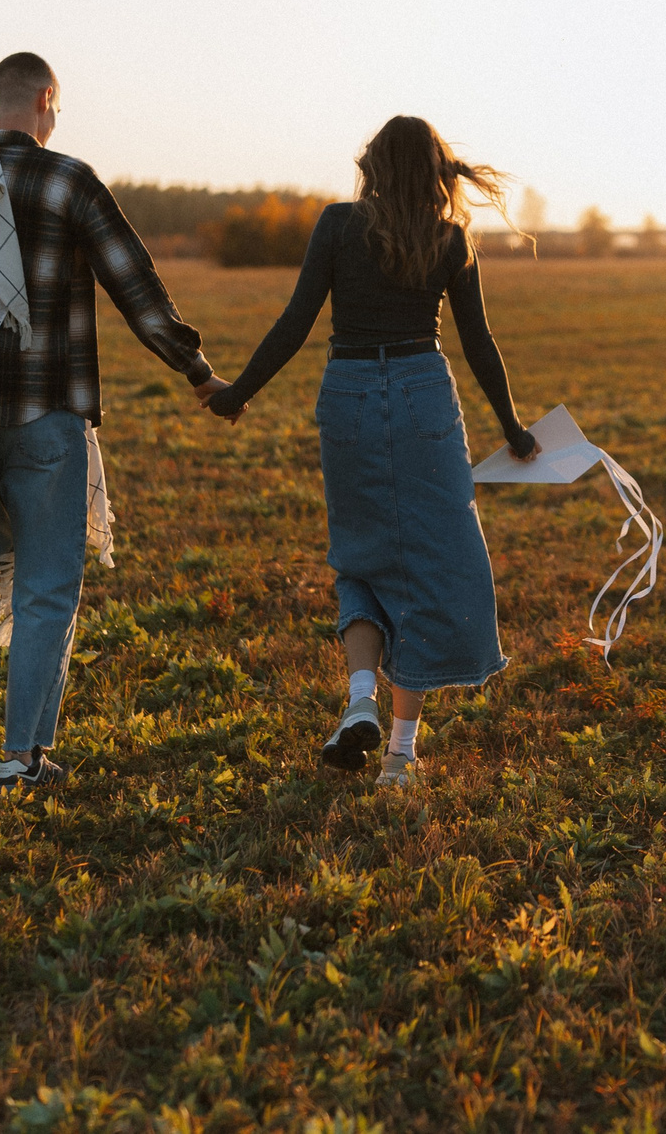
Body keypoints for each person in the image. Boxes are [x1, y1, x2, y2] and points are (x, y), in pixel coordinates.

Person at [0, 52, 229, 792]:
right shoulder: (69, 181)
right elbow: (136, 288)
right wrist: (198, 372)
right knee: (46, 588)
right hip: (46, 419)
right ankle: (21, 757)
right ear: (46, 101)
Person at [206, 116, 539, 786]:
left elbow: (296, 320)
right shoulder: (449, 238)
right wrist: (512, 426)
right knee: (430, 561)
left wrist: (238, 392)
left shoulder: (337, 224)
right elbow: (478, 341)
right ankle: (400, 754)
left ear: (374, 165)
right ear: (436, 171)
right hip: (424, 394)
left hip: (349, 391)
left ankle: (362, 697)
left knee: (358, 551)